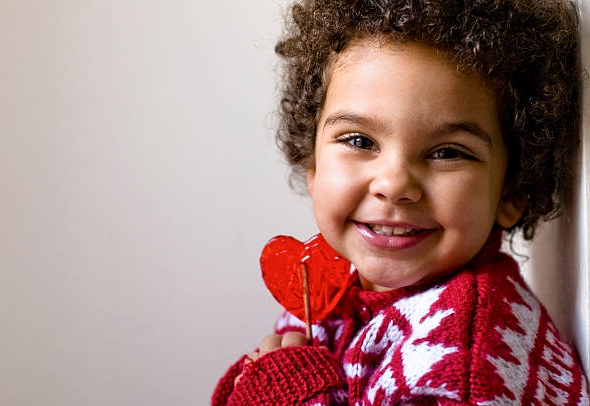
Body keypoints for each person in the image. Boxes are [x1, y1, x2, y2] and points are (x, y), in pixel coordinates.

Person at [213, 0, 588, 404]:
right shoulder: (327, 289)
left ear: (513, 190)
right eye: (359, 141)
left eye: (448, 152)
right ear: (312, 162)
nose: (393, 185)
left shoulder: (467, 365)